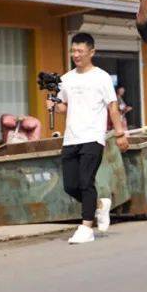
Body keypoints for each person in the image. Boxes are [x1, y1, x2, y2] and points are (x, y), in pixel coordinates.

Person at [49, 33, 130, 244]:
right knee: (70, 185)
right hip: (71, 137)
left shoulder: (101, 77)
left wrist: (120, 133)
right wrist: (53, 105)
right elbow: (64, 106)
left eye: (80, 51)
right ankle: (99, 206)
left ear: (91, 52)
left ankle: (86, 228)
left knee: (86, 182)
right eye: (73, 51)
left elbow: (112, 107)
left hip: (93, 136)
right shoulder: (66, 79)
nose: (76, 55)